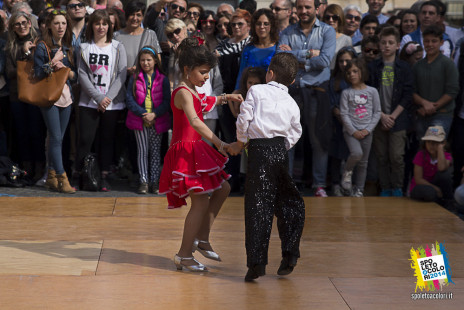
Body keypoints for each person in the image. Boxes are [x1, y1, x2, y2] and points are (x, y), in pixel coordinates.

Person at [158, 37, 243, 271]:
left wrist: (227, 97)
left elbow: (206, 101)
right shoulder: (182, 91)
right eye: (203, 72)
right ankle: (184, 254)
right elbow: (195, 121)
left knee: (223, 188)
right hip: (185, 151)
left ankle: (202, 238)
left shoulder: (193, 90)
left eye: (208, 72)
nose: (207, 77)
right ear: (187, 69)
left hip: (195, 149)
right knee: (200, 201)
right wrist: (220, 142)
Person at [229, 53, 304, 281]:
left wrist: (242, 141)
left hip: (259, 150)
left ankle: (256, 264)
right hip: (280, 151)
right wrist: (282, 146)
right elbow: (295, 131)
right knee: (289, 202)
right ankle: (290, 253)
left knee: (258, 206)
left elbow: (244, 119)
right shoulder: (292, 103)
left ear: (269, 73)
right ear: (292, 82)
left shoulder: (257, 91)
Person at [278, 0, 336, 197]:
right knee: (289, 139)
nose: (303, 11)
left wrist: (295, 59)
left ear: (317, 8)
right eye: (300, 7)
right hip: (292, 92)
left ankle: (319, 184)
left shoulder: (327, 31)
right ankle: (288, 184)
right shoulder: (287, 31)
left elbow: (325, 60)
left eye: (307, 7)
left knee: (318, 139)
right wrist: (309, 54)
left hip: (316, 92)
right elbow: (280, 58)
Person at [76, 9, 127, 192]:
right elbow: (82, 75)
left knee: (106, 140)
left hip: (112, 102)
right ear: (92, 25)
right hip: (88, 101)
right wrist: (98, 97)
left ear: (110, 26)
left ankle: (103, 176)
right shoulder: (84, 47)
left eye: (105, 24)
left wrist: (107, 98)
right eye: (97, 23)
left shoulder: (117, 46)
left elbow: (121, 74)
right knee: (85, 140)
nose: (101, 27)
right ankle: (82, 176)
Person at [34, 9, 76, 193]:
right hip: (49, 97)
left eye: (64, 23)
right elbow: (37, 73)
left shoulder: (69, 46)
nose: (60, 27)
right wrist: (53, 63)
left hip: (66, 97)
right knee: (56, 138)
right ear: (50, 25)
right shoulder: (43, 46)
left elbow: (74, 76)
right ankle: (62, 177)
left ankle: (51, 176)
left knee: (57, 139)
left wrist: (66, 69)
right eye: (57, 23)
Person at [368, 26, 413, 197]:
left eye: (391, 43)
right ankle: (385, 187)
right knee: (381, 157)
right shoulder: (373, 67)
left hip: (398, 119)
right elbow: (368, 93)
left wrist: (392, 116)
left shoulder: (404, 67)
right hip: (378, 117)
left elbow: (408, 95)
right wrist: (382, 116)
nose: (387, 46)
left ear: (398, 45)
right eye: (384, 42)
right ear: (379, 45)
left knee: (396, 157)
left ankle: (398, 188)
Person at [5, 11, 46, 183]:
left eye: (24, 23)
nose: (21, 27)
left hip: (36, 93)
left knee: (37, 132)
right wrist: (25, 55)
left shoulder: (40, 41)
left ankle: (39, 167)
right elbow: (10, 72)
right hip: (17, 95)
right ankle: (27, 168)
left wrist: (29, 56)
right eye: (17, 24)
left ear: (30, 23)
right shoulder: (10, 46)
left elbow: (41, 67)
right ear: (12, 27)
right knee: (22, 133)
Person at [215, 9, 251, 192]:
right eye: (233, 24)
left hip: (246, 95)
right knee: (230, 138)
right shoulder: (222, 45)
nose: (236, 27)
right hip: (226, 95)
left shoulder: (251, 44)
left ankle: (248, 180)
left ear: (248, 26)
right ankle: (232, 180)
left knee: (247, 139)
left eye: (240, 24)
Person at [126, 46, 170, 194]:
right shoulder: (134, 78)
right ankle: (144, 181)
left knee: (156, 152)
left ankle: (155, 181)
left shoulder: (163, 79)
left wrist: (154, 114)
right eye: (143, 60)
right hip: (140, 120)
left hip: (157, 120)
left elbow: (166, 101)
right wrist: (144, 114)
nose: (146, 63)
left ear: (155, 61)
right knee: (142, 151)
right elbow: (129, 100)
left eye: (149, 60)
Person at [340, 58, 381, 197]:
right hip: (351, 132)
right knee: (356, 153)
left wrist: (367, 130)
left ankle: (359, 189)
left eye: (355, 71)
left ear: (362, 72)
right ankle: (347, 171)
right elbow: (344, 114)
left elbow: (377, 112)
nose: (352, 74)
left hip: (367, 132)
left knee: (363, 162)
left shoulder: (372, 91)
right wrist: (354, 131)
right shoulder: (346, 93)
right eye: (349, 72)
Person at [412, 25, 459, 138]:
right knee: (422, 149)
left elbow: (452, 91)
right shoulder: (418, 65)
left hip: (442, 114)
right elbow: (412, 91)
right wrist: (424, 104)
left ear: (441, 42)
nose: (430, 44)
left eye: (434, 41)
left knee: (435, 145)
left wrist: (433, 107)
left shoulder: (447, 64)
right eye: (427, 41)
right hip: (422, 114)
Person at [328, 47, 357, 196]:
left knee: (352, 154)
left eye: (347, 60)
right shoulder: (334, 81)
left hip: (355, 124)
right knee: (336, 154)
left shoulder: (358, 80)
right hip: (338, 124)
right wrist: (341, 116)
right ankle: (335, 184)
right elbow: (332, 104)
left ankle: (349, 184)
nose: (344, 64)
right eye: (341, 61)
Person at [235, 8, 278, 91]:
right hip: (250, 94)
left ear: (271, 25)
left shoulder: (278, 48)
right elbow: (241, 74)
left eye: (266, 24)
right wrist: (237, 90)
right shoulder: (248, 49)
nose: (262, 27)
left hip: (271, 94)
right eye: (258, 23)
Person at [410, 125, 453, 203]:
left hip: (435, 184)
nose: (431, 145)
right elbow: (418, 179)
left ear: (443, 143)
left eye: (435, 142)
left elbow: (441, 168)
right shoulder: (420, 154)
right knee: (430, 192)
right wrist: (436, 188)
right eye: (428, 141)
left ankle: (448, 202)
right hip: (421, 186)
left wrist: (440, 149)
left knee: (445, 174)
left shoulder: (447, 155)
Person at [322, 4, 352, 69]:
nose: (331, 20)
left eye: (335, 17)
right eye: (327, 17)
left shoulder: (346, 40)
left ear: (340, 19)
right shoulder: (318, 37)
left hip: (337, 76)